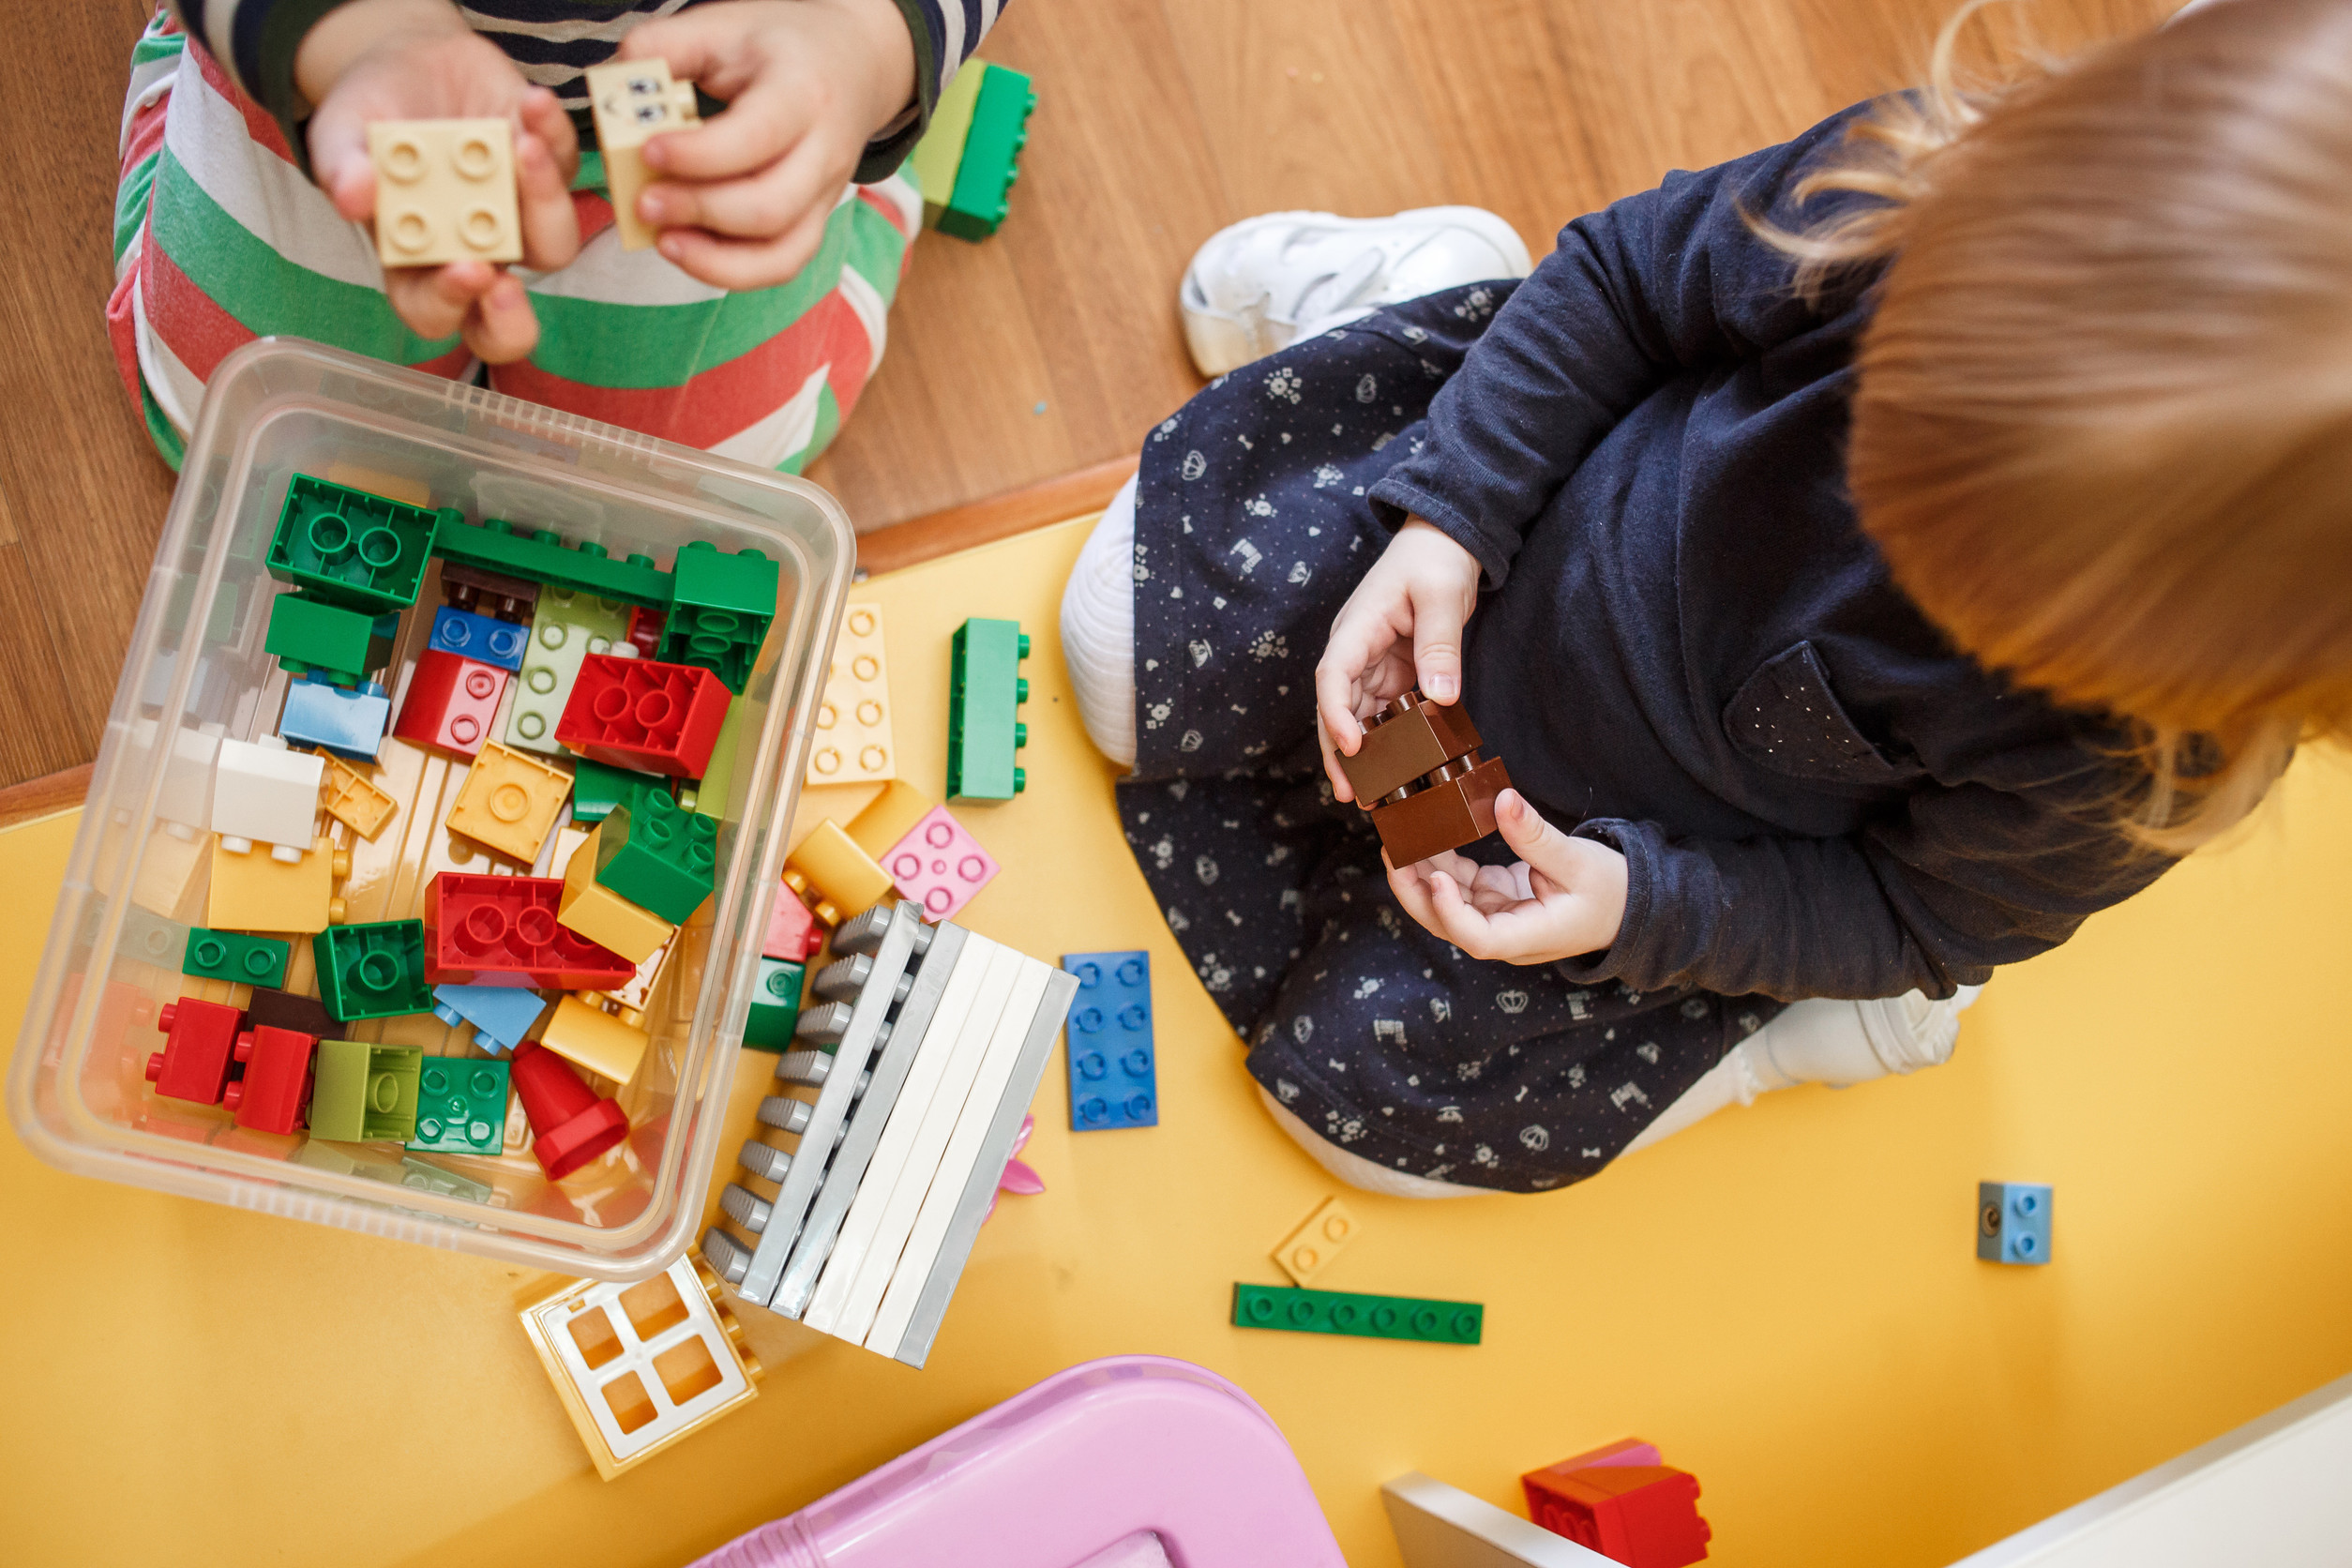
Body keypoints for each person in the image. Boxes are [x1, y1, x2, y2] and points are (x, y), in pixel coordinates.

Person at [1060, 0, 2352, 1196]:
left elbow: (1907, 911)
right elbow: (1626, 284)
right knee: (1112, 657)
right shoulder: (1914, 199)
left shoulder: (2131, 772)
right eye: (1902, 434)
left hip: (1647, 863)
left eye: (1992, 593)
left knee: (1350, 1121)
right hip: (1500, 513)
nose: (1894, 545)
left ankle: (1788, 1047)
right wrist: (1449, 515)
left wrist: (1645, 909)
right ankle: (1424, 278)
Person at [111, 0, 1007, 469]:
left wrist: (869, 41)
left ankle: (867, 175)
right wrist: (350, 39)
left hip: (720, 94)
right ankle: (186, 68)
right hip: (340, 63)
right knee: (238, 436)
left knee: (704, 492)